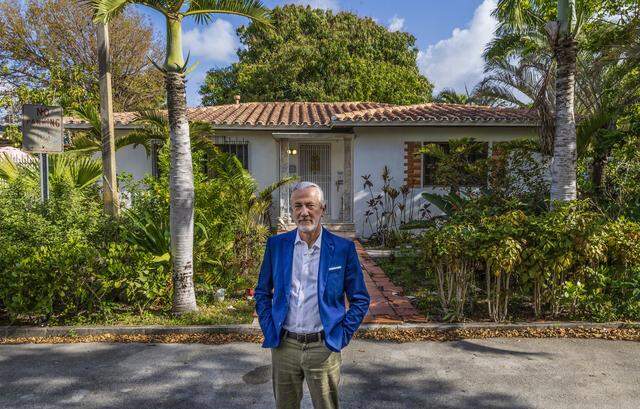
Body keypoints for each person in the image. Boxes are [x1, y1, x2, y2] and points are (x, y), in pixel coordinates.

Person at [254, 181, 370, 409]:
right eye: (297, 206)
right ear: (292, 210)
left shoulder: (342, 249)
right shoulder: (276, 245)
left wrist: (342, 334)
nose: (303, 212)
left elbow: (360, 298)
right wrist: (269, 328)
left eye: (310, 205)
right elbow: (262, 292)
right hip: (284, 346)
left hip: (323, 347)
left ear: (322, 209)